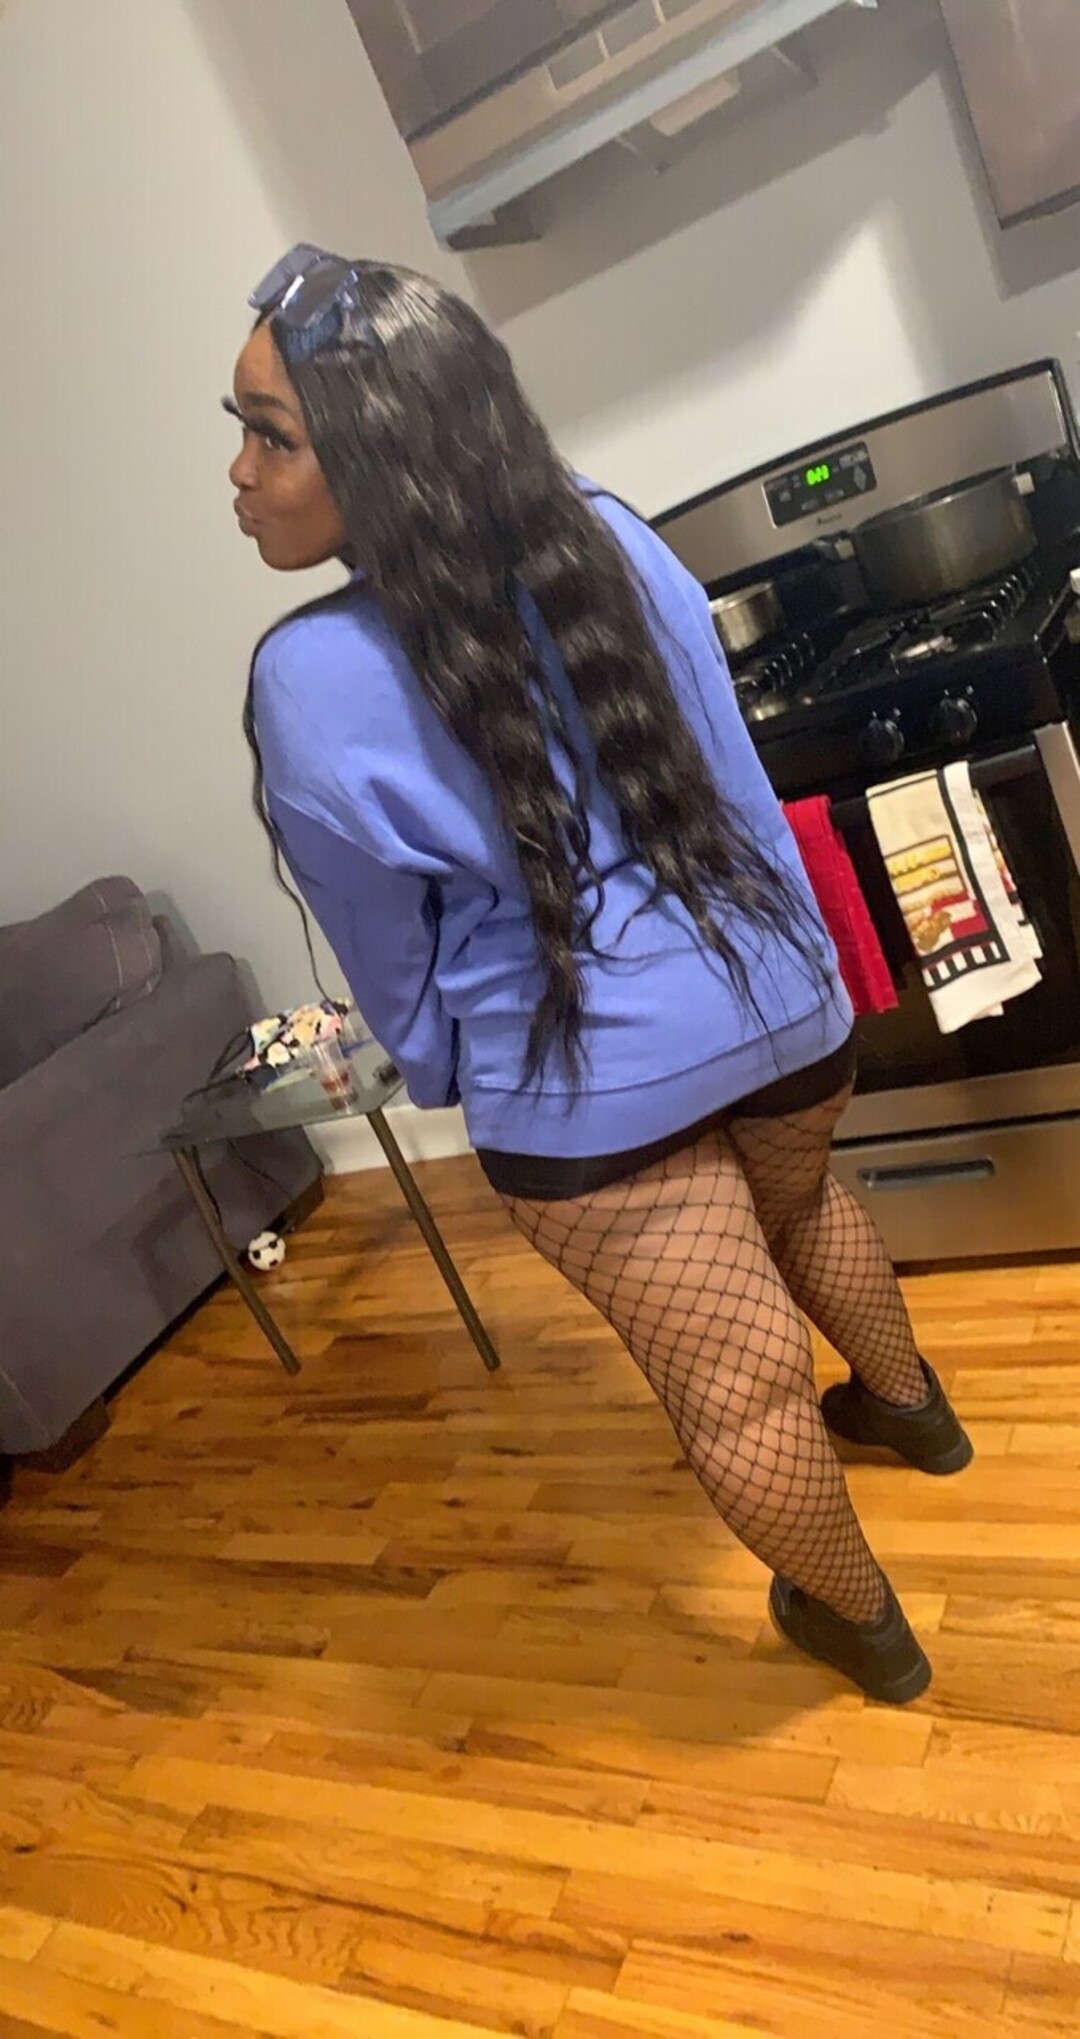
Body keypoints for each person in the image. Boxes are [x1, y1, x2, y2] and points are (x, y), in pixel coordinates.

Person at [226, 244, 972, 1706]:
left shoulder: (306, 678)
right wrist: (797, 968)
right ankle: (917, 1417)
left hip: (588, 1087)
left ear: (385, 455)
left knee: (735, 1385)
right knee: (803, 1207)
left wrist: (446, 1075)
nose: (240, 475)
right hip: (778, 1003)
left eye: (272, 437)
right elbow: (736, 782)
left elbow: (388, 948)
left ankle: (863, 1628)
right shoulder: (609, 533)